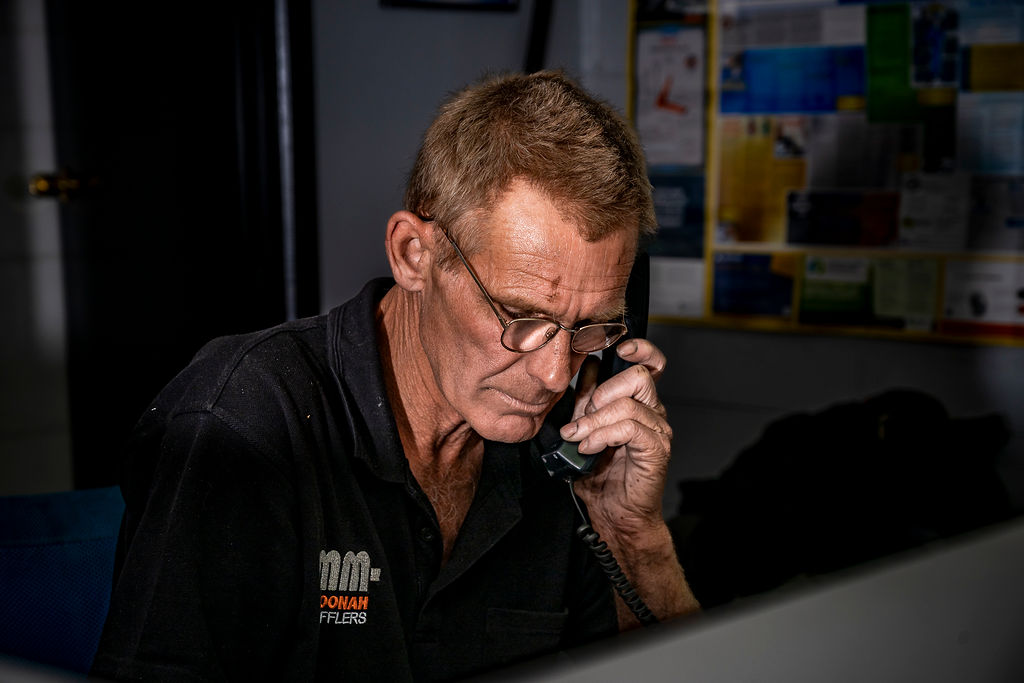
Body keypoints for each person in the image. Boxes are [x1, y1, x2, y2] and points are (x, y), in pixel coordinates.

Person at [91, 70, 699, 682]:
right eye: (521, 317)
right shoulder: (243, 425)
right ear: (414, 254)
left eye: (591, 327)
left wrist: (632, 538)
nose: (553, 373)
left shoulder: (565, 450)